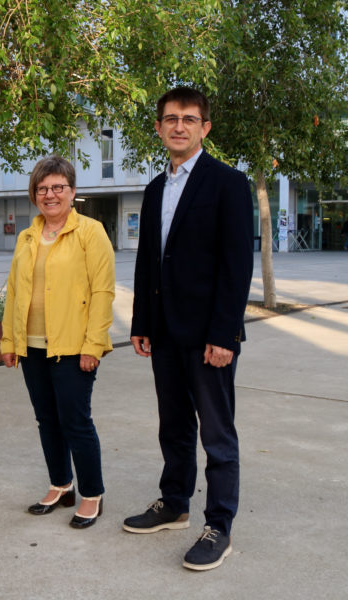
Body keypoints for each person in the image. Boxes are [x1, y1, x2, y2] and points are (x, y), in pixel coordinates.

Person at [124, 87, 254, 571]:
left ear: (205, 128)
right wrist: (141, 322)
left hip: (209, 338)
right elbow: (148, 262)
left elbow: (236, 266)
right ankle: (174, 502)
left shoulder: (228, 183)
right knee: (173, 427)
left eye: (190, 119)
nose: (179, 126)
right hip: (164, 334)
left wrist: (225, 334)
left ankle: (218, 525)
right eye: (171, 118)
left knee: (217, 436)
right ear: (159, 127)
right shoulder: (156, 187)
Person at [0, 156, 115, 530]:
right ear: (34, 194)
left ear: (72, 191)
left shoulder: (90, 232)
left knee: (76, 421)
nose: (50, 195)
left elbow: (102, 291)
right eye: (43, 188)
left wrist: (93, 344)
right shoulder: (27, 236)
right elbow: (14, 291)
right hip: (31, 347)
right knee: (47, 419)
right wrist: (9, 340)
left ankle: (91, 493)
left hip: (72, 346)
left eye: (57, 187)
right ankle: (61, 485)